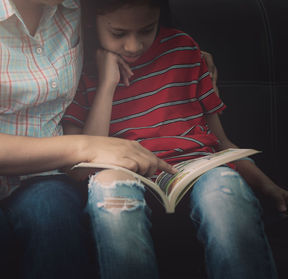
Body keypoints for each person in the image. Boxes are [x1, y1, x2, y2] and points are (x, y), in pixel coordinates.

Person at [0, 0, 180, 278]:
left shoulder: (73, 7)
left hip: (43, 174)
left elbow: (131, 26)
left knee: (54, 216)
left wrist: (191, 58)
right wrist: (87, 147)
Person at [62, 0, 288, 278]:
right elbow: (84, 158)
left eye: (147, 30)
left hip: (197, 167)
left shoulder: (184, 50)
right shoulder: (80, 66)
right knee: (111, 192)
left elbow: (221, 143)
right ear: (91, 22)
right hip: (124, 171)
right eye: (119, 34)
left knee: (225, 190)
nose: (134, 46)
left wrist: (268, 187)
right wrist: (107, 83)